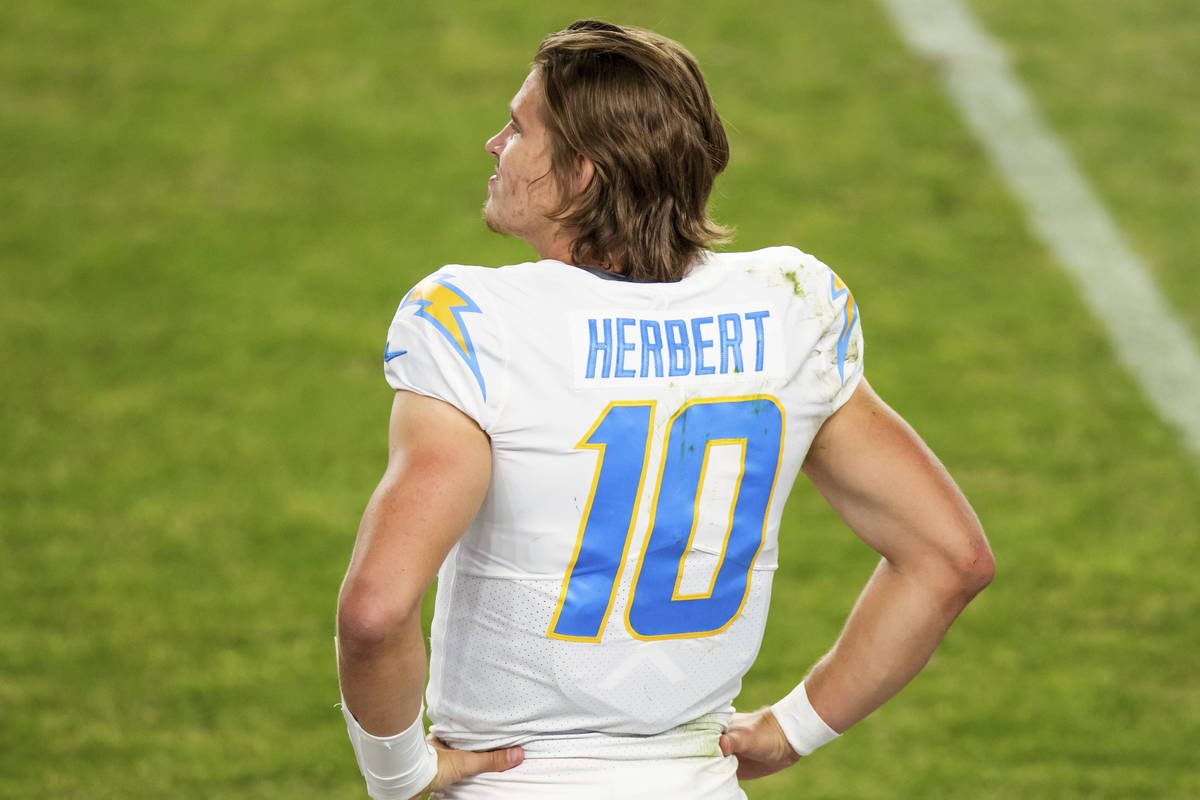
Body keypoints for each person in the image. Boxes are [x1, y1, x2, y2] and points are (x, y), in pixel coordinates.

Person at [335, 19, 994, 800]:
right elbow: (950, 558)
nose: (493, 143)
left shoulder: (476, 321)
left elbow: (375, 611)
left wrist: (397, 774)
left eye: (517, 127)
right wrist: (792, 731)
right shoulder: (790, 308)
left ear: (580, 174)